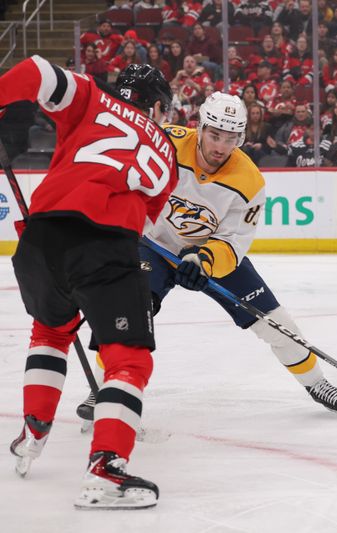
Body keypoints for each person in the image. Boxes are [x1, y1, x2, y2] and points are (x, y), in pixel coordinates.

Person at [77, 92, 337, 422]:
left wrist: (204, 260)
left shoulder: (249, 181)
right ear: (199, 127)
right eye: (214, 135)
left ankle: (317, 384)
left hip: (207, 255)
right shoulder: (164, 142)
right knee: (130, 309)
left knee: (275, 322)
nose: (221, 147)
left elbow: (233, 240)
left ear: (242, 137)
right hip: (152, 244)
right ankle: (102, 388)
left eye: (231, 138)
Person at [1, 59, 176, 508]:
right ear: (157, 106)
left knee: (50, 332)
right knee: (128, 360)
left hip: (39, 239)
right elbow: (143, 221)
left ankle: (32, 432)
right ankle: (106, 471)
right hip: (105, 243)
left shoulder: (92, 95)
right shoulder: (166, 151)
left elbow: (36, 71)